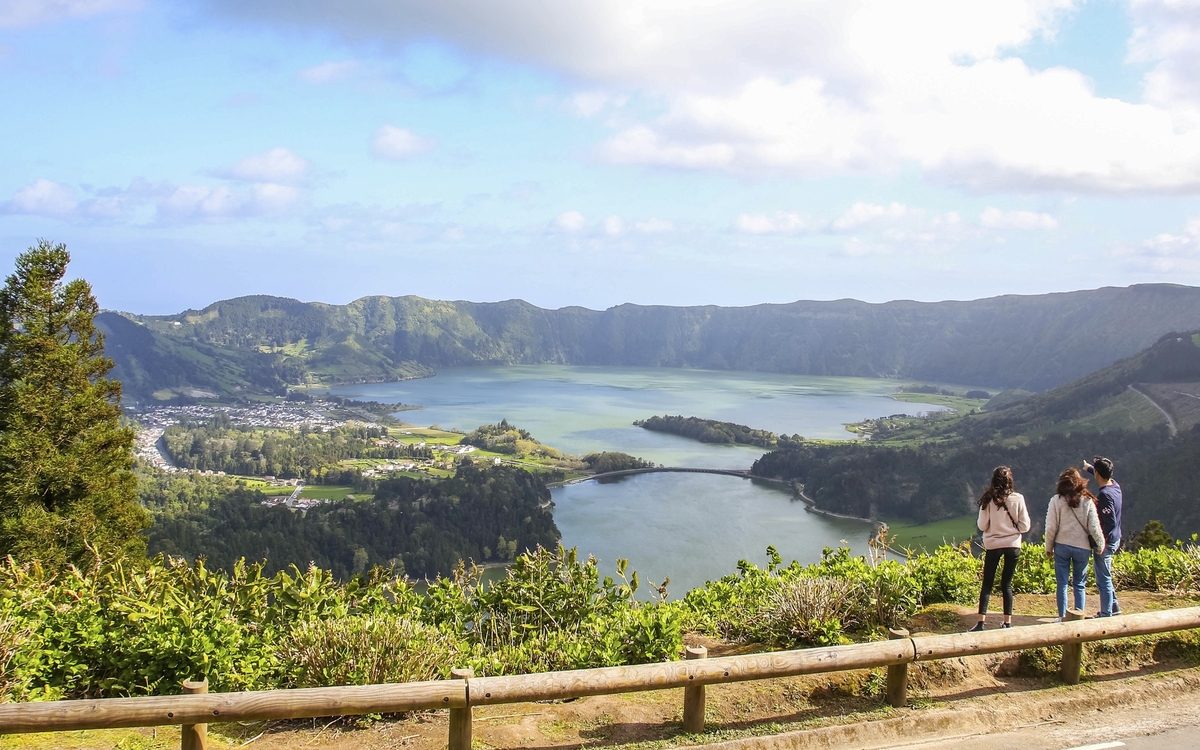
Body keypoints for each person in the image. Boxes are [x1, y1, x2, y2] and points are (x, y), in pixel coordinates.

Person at [970, 466, 1031, 631]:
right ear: (1010, 480)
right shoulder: (1018, 499)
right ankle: (1008, 622)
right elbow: (1025, 526)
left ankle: (981, 622)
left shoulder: (988, 500)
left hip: (993, 545)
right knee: (1007, 584)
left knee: (987, 583)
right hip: (1012, 545)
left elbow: (982, 525)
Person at [1045, 468, 1104, 620]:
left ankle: (1062, 617)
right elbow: (1094, 526)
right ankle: (1079, 616)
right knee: (1079, 584)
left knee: (1062, 584)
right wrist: (1100, 544)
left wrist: (1049, 547)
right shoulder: (1087, 501)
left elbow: (1051, 527)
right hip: (1082, 547)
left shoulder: (1056, 500)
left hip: (1062, 545)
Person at [1085, 456, 1123, 617]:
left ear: (1098, 474)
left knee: (1103, 578)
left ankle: (1106, 613)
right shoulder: (1115, 486)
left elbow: (1110, 522)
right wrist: (1089, 468)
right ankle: (1113, 606)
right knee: (1104, 573)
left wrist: (1101, 543)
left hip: (1107, 541)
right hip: (1116, 538)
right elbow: (1101, 473)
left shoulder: (1105, 496)